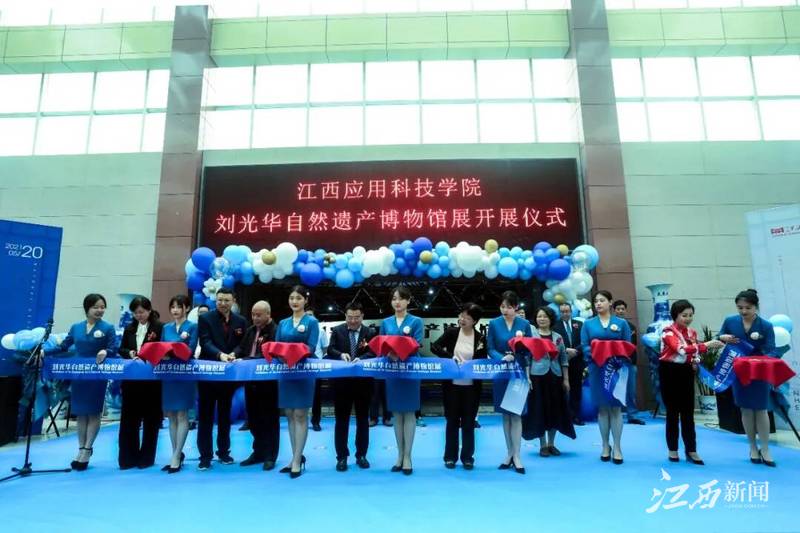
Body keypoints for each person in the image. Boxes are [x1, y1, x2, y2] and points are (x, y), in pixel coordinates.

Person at [46, 293, 118, 471]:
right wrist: (44, 352)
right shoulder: (76, 327)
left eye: (102, 307)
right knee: (81, 413)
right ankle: (80, 447)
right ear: (87, 308)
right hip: (79, 375)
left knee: (93, 412)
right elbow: (64, 346)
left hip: (96, 375)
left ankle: (87, 449)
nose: (100, 310)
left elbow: (113, 348)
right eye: (96, 307)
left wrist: (106, 352)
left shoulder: (108, 328)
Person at [718, 289, 778, 466]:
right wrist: (722, 337)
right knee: (745, 409)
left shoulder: (765, 326)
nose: (744, 311)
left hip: (759, 372)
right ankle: (752, 447)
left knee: (761, 409)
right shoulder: (730, 321)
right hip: (739, 371)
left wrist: (759, 360)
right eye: (740, 308)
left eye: (748, 308)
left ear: (756, 307)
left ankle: (765, 448)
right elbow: (718, 338)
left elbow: (772, 350)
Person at [659, 299, 723, 465]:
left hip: (686, 372)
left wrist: (696, 360)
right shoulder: (668, 332)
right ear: (675, 315)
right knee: (673, 413)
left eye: (690, 315)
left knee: (688, 412)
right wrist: (706, 345)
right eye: (684, 315)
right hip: (669, 372)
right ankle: (672, 450)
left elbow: (694, 354)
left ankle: (691, 450)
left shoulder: (692, 333)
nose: (688, 318)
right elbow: (681, 350)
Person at [196, 288, 247, 470]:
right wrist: (220, 355)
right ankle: (205, 456)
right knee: (206, 417)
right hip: (208, 376)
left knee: (225, 416)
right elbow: (205, 342)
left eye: (226, 300)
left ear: (233, 301)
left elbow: (243, 344)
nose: (223, 304)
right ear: (215, 301)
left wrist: (234, 353)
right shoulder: (205, 318)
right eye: (219, 300)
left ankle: (224, 452)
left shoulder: (240, 321)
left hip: (228, 377)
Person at [431, 303, 486, 470]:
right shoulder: (451, 332)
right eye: (461, 315)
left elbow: (483, 360)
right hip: (452, 386)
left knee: (469, 423)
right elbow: (434, 346)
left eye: (467, 317)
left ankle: (468, 457)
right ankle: (450, 457)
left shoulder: (480, 338)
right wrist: (450, 357)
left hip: (472, 387)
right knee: (452, 421)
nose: (462, 319)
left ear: (475, 321)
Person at [580, 290, 632, 465]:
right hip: (597, 368)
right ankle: (605, 445)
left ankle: (617, 447)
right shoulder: (588, 324)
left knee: (616, 409)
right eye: (596, 301)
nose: (598, 304)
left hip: (616, 369)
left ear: (610, 302)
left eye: (602, 300)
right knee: (602, 409)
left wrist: (614, 354)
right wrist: (600, 352)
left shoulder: (622, 323)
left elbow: (628, 346)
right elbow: (584, 346)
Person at [276, 285, 320, 478]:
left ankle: (296, 459)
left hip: (303, 371)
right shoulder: (283, 323)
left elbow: (310, 347)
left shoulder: (312, 322)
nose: (294, 301)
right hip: (286, 373)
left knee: (301, 414)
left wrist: (293, 357)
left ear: (305, 301)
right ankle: (295, 456)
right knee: (290, 415)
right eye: (292, 298)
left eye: (298, 298)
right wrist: (282, 358)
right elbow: (277, 346)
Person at [379, 285, 424, 475]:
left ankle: (408, 456)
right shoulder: (386, 322)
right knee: (397, 414)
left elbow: (418, 343)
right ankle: (399, 455)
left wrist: (400, 353)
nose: (397, 302)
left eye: (401, 298)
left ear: (408, 300)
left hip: (410, 370)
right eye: (394, 299)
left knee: (409, 414)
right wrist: (390, 354)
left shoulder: (416, 321)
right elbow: (381, 343)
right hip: (393, 371)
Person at [326, 302, 375, 471]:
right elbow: (330, 349)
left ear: (362, 316)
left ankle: (361, 455)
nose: (353, 321)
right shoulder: (337, 331)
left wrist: (363, 359)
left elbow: (374, 352)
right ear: (345, 316)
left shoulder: (370, 332)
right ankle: (341, 457)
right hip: (342, 383)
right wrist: (341, 355)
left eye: (356, 317)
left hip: (363, 383)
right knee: (341, 421)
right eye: (350, 317)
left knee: (363, 420)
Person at [487, 291, 532, 474]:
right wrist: (501, 357)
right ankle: (509, 453)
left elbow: (529, 350)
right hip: (501, 372)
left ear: (516, 307)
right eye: (502, 306)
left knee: (516, 414)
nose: (505, 310)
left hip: (518, 372)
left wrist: (520, 351)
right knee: (505, 414)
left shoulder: (525, 324)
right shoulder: (494, 323)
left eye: (509, 307)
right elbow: (490, 347)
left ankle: (517, 455)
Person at [117, 296, 163, 470]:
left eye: (141, 312)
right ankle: (128, 458)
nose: (139, 315)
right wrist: (130, 353)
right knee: (129, 420)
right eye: (135, 313)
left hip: (151, 381)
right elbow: (121, 348)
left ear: (149, 310)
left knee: (151, 421)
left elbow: (162, 348)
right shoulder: (129, 328)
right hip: (131, 381)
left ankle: (146, 458)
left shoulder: (159, 327)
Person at [233, 300, 279, 471]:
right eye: (253, 314)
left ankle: (270, 455)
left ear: (268, 314)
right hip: (250, 380)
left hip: (268, 382)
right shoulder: (251, 330)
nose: (255, 318)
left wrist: (245, 360)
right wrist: (232, 354)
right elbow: (241, 348)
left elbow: (268, 354)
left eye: (259, 315)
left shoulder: (275, 330)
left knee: (269, 419)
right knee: (253, 419)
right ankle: (258, 452)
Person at [524, 306, 575, 456]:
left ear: (551, 319)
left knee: (555, 410)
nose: (542, 319)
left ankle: (552, 443)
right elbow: (527, 358)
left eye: (545, 316)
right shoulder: (532, 336)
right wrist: (527, 377)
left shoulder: (558, 337)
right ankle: (543, 445)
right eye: (539, 316)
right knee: (539, 410)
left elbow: (563, 359)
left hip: (555, 377)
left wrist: (566, 379)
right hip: (537, 376)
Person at [160, 294, 198, 473]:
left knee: (182, 414)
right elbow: (161, 347)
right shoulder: (166, 328)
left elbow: (190, 350)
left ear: (187, 308)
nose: (175, 310)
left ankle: (176, 455)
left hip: (184, 374)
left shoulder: (192, 326)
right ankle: (175, 452)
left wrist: (174, 352)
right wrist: (163, 354)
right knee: (171, 415)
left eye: (179, 306)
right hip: (169, 375)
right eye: (173, 307)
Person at [613, 300, 645, 425]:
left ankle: (632, 415)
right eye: (618, 309)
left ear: (625, 310)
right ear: (614, 310)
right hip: (614, 363)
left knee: (631, 391)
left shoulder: (631, 327)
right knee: (613, 390)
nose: (621, 311)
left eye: (623, 309)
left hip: (629, 363)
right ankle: (613, 417)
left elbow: (633, 346)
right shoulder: (609, 326)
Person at [554, 302, 585, 425]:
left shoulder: (580, 325)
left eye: (567, 311)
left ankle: (575, 416)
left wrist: (575, 351)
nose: (565, 314)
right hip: (561, 362)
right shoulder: (555, 326)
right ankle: (563, 417)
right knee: (562, 390)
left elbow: (585, 341)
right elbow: (553, 343)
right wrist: (566, 350)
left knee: (576, 390)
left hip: (577, 361)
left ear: (571, 312)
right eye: (562, 311)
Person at [310, 308, 329, 432]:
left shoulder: (321, 331)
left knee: (316, 396)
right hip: (301, 366)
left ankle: (316, 421)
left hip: (316, 366)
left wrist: (317, 359)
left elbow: (325, 348)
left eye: (310, 315)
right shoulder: (298, 331)